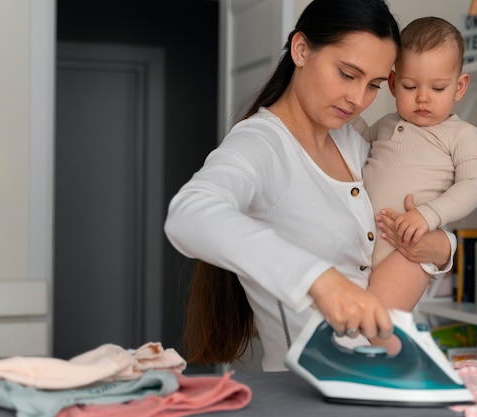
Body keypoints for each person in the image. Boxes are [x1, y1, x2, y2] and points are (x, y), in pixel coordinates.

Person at [164, 0, 456, 372]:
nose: (358, 99)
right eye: (348, 74)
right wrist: (317, 278)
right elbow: (188, 215)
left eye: (374, 85)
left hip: (372, 378)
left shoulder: (353, 142)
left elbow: (405, 223)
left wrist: (444, 246)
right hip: (303, 392)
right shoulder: (261, 145)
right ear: (301, 50)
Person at [357, 17, 477, 337]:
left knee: (371, 332)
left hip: (407, 254)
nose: (423, 97)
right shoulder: (385, 125)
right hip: (359, 249)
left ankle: (383, 374)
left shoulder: (462, 135)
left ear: (459, 87)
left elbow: (475, 185)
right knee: (350, 324)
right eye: (410, 86)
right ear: (391, 83)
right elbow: (353, 144)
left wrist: (428, 215)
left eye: (438, 87)